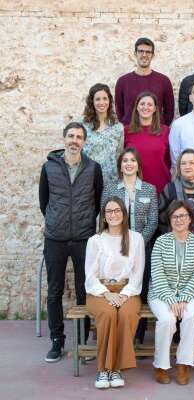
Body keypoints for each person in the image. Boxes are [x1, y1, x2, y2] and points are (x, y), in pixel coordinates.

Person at [39, 122, 103, 362]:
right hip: (55, 238)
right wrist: (57, 220)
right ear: (64, 139)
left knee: (84, 291)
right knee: (54, 291)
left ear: (84, 142)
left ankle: (83, 341)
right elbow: (44, 201)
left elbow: (97, 201)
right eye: (71, 136)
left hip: (83, 238)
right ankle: (57, 341)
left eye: (79, 137)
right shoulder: (49, 167)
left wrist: (83, 223)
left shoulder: (93, 168)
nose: (74, 140)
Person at [85, 197, 145, 389]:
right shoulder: (95, 241)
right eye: (109, 211)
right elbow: (90, 276)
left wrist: (125, 294)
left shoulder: (136, 238)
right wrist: (106, 293)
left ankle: (116, 368)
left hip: (128, 290)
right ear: (104, 216)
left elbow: (138, 273)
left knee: (127, 314)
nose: (113, 214)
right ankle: (104, 369)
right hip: (99, 291)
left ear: (124, 214)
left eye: (117, 210)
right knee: (108, 313)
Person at [102, 147, 158, 342]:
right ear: (120, 166)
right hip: (116, 249)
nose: (129, 164)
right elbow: (105, 217)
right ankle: (118, 333)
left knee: (139, 289)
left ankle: (138, 335)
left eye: (133, 160)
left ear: (138, 165)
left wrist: (138, 244)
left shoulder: (149, 189)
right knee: (118, 287)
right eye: (125, 160)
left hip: (143, 248)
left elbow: (153, 220)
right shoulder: (110, 189)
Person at [148, 201, 194, 385]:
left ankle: (183, 363)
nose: (179, 220)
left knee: (192, 316)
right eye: (175, 216)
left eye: (183, 216)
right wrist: (171, 299)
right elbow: (157, 274)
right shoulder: (161, 242)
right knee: (167, 320)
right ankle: (160, 365)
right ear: (169, 220)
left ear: (190, 219)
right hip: (160, 292)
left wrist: (184, 298)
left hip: (189, 292)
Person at [115, 37, 174, 126]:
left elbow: (169, 111)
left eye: (148, 52)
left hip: (156, 131)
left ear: (153, 55)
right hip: (130, 131)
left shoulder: (164, 81)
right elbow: (119, 111)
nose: (144, 55)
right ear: (135, 54)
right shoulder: (122, 81)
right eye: (140, 51)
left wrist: (161, 128)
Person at [159, 148, 194, 243]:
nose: (187, 166)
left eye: (191, 163)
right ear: (179, 167)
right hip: (174, 244)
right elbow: (161, 219)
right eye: (183, 163)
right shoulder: (170, 189)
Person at [124, 91, 171, 194]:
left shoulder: (165, 131)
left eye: (150, 104)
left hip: (161, 186)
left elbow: (169, 160)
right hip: (134, 187)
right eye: (142, 104)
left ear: (155, 109)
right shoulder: (126, 131)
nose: (145, 107)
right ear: (137, 107)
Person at [82, 83, 124, 185]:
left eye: (105, 98)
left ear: (109, 101)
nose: (102, 102)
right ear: (92, 102)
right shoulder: (83, 126)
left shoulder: (118, 127)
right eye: (97, 99)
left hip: (112, 181)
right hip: (88, 180)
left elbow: (119, 155)